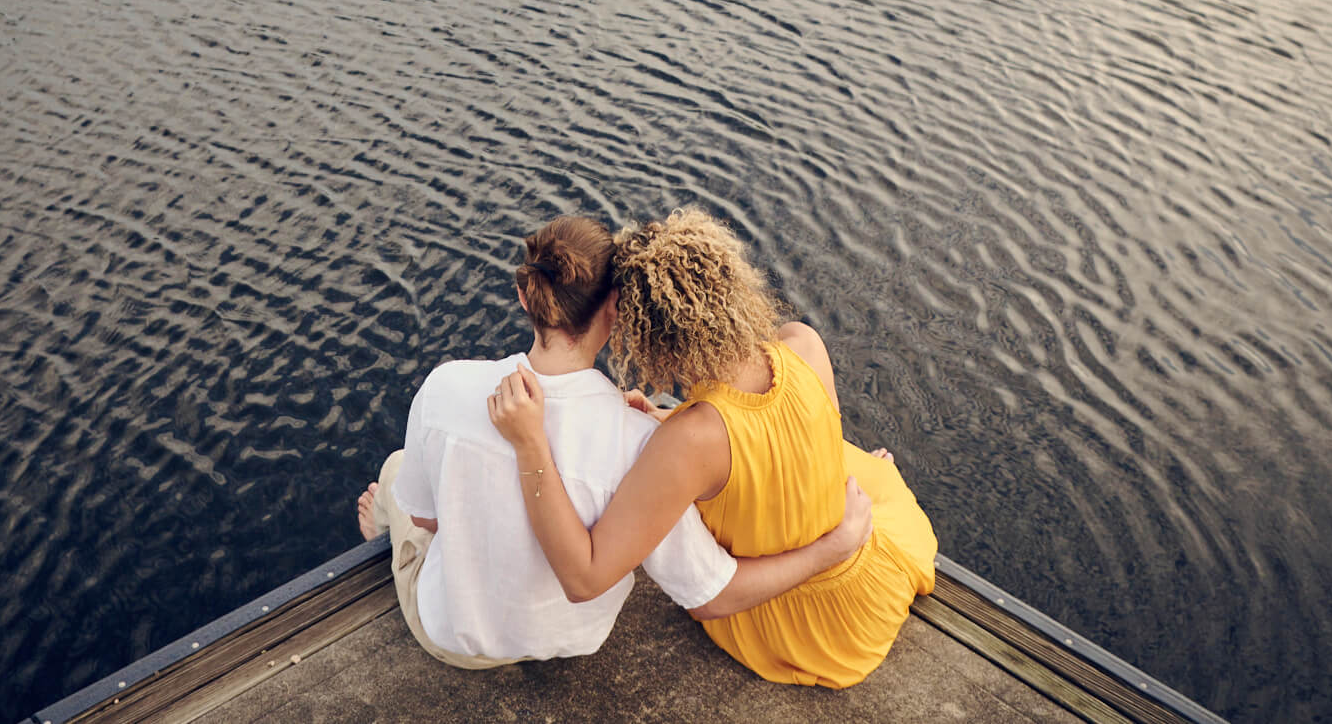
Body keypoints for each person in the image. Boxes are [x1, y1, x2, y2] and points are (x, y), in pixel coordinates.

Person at [356, 214, 873, 668]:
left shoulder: (445, 386)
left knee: (400, 474)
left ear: (524, 295)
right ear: (615, 308)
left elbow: (431, 518)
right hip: (573, 637)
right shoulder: (652, 437)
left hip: (454, 636)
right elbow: (704, 577)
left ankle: (379, 525)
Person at [489, 208, 938, 687]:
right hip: (873, 580)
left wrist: (533, 443)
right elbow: (779, 439)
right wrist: (668, 417)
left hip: (810, 626)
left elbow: (591, 577)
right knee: (851, 463)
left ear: (651, 339)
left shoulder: (689, 443)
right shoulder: (801, 343)